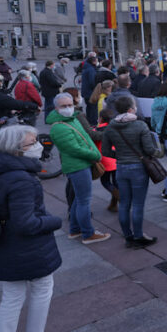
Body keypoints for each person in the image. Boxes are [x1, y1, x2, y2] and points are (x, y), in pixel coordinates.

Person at [0, 126, 63, 332]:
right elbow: (26, 223)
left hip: (2, 243)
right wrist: (54, 221)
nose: (39, 145)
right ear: (15, 149)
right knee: (42, 287)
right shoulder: (21, 179)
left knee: (11, 296)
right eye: (31, 142)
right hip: (27, 247)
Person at [46, 93, 111, 244]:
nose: (68, 108)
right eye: (64, 106)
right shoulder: (59, 127)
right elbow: (74, 149)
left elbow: (85, 138)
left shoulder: (72, 119)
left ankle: (75, 229)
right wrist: (95, 155)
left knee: (78, 199)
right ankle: (88, 233)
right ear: (56, 108)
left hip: (80, 164)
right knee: (84, 201)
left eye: (70, 105)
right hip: (77, 166)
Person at [103, 96, 160, 248]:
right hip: (138, 168)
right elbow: (149, 149)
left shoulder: (110, 127)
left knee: (124, 204)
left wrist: (120, 155)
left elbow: (106, 151)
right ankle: (139, 235)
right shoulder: (140, 125)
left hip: (121, 168)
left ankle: (128, 236)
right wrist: (156, 150)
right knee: (138, 204)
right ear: (130, 109)